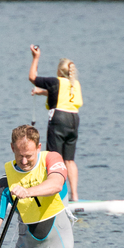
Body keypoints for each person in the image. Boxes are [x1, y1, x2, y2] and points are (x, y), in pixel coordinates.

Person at [28, 45, 83, 201]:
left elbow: (32, 78)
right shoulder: (74, 84)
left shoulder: (55, 81)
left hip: (58, 119)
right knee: (69, 160)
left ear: (59, 72)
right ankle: (75, 195)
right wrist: (41, 92)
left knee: (53, 157)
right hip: (73, 120)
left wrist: (35, 58)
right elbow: (58, 93)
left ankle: (54, 194)